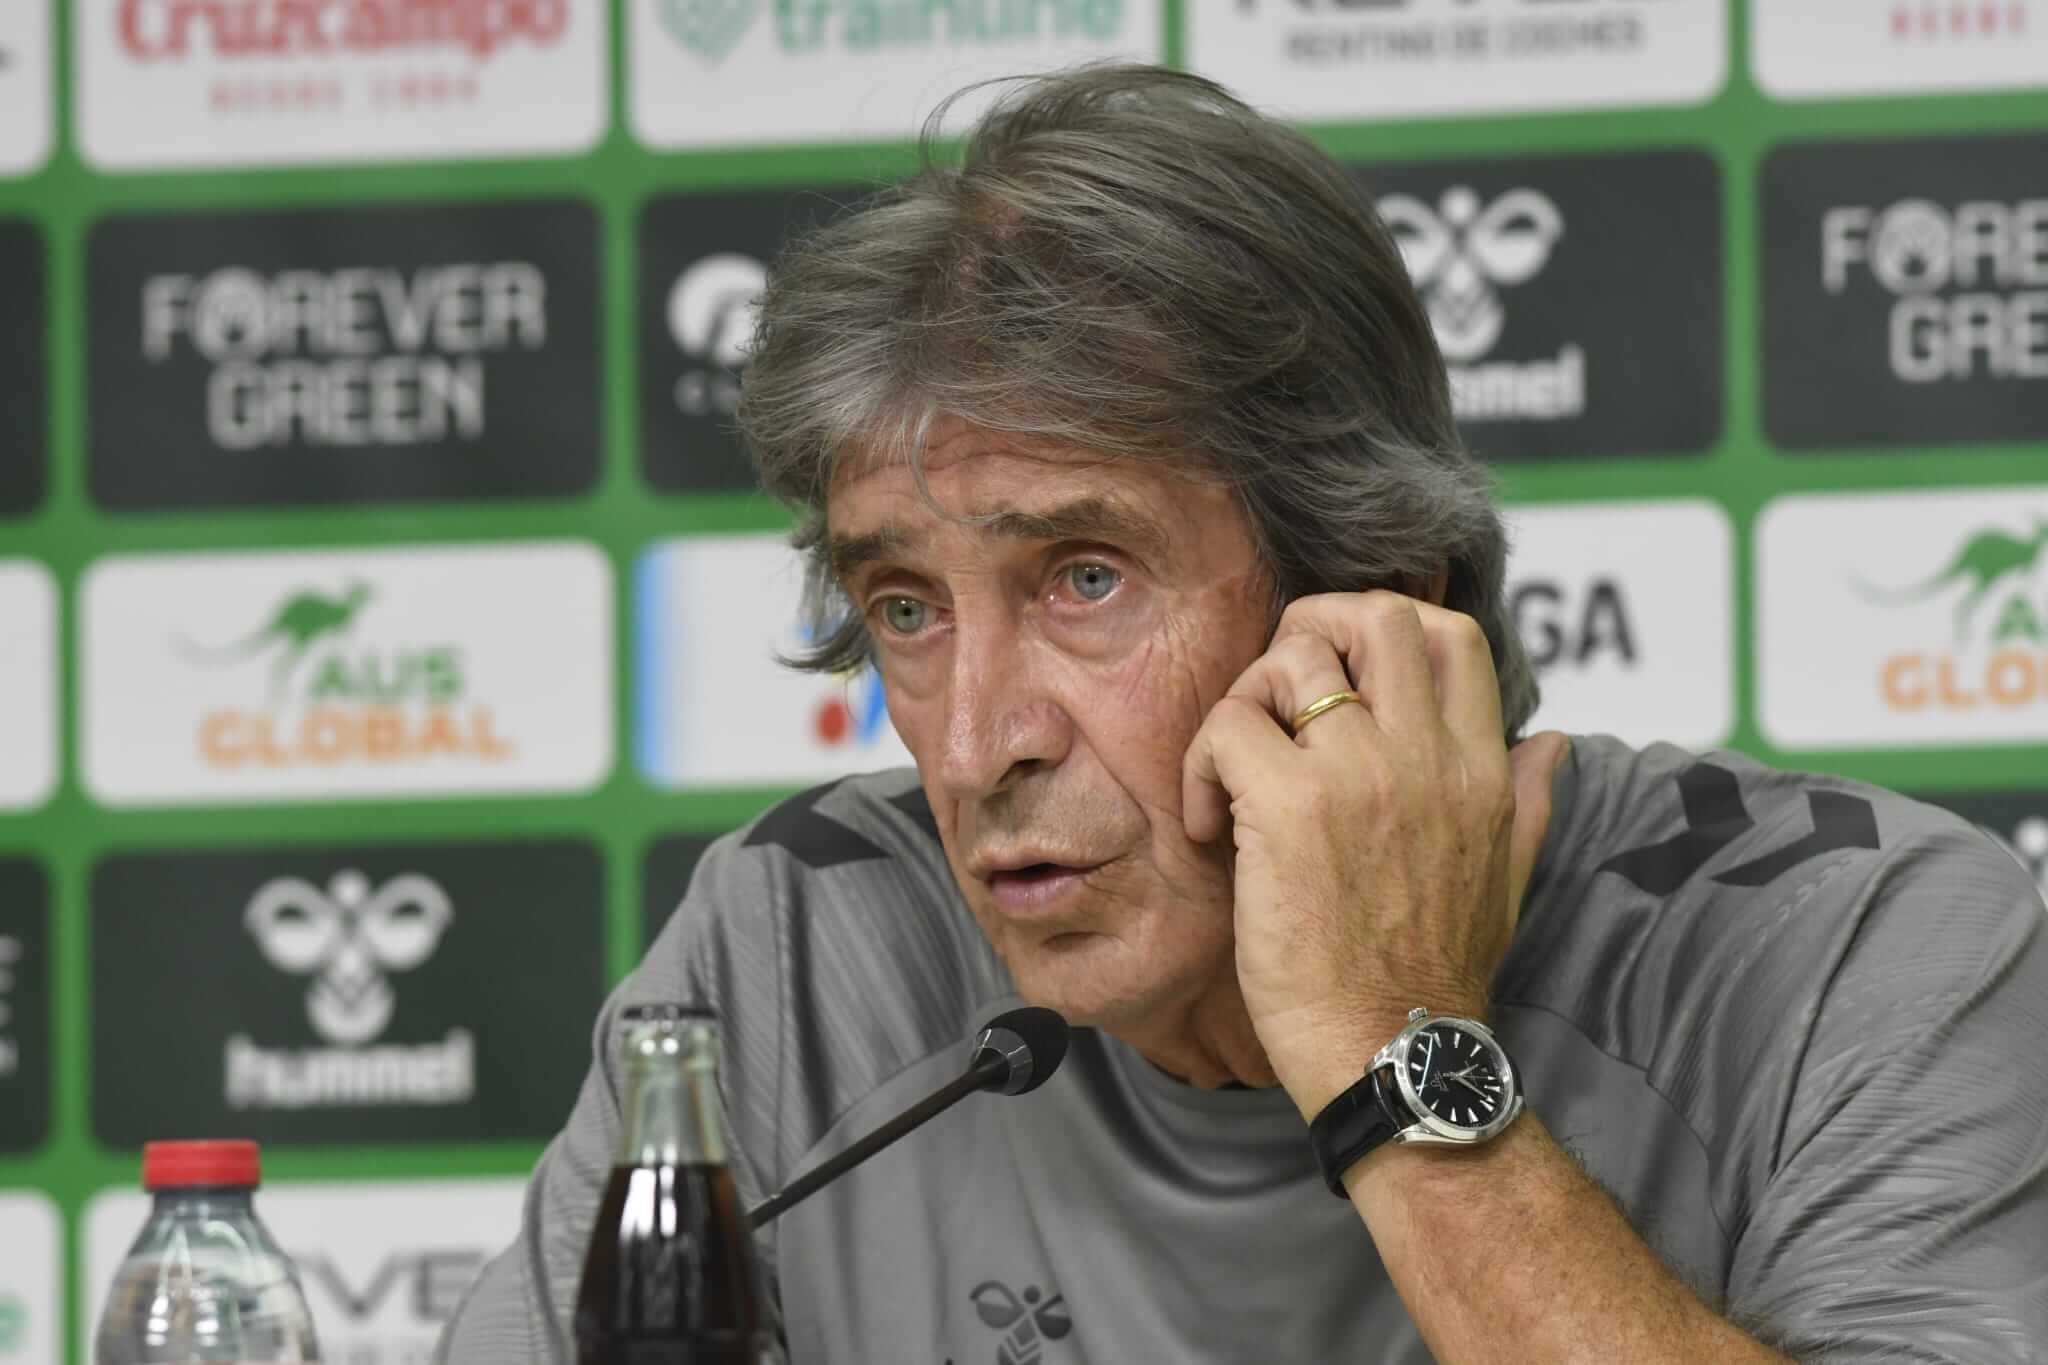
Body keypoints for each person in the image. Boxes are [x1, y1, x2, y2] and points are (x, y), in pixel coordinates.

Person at [440, 66, 2048, 1363]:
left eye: (1084, 578)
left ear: (1375, 593)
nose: (976, 744)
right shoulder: (799, 950)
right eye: (908, 608)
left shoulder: (1863, 950)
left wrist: (1393, 1043)